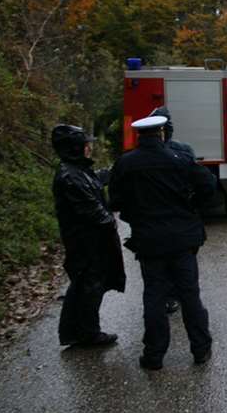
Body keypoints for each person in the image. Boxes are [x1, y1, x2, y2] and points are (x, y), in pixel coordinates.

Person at [108, 115, 217, 370]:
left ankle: (154, 355)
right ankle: (200, 349)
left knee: (154, 296)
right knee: (190, 294)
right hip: (182, 239)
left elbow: (114, 202)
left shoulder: (125, 164)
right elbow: (208, 186)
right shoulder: (180, 160)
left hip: (149, 241)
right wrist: (191, 207)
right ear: (161, 134)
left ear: (138, 136)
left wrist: (135, 211)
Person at [51, 125, 125, 347]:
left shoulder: (77, 171)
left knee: (86, 285)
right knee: (88, 286)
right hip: (85, 243)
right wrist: (112, 220)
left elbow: (97, 179)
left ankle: (77, 332)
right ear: (74, 148)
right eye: (85, 145)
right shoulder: (70, 176)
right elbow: (94, 213)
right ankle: (88, 333)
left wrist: (118, 168)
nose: (89, 148)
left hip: (87, 241)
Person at [149, 106, 195, 315]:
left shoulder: (131, 160)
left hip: (149, 229)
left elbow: (119, 198)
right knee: (186, 275)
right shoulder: (183, 152)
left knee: (155, 277)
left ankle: (165, 301)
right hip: (182, 226)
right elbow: (204, 185)